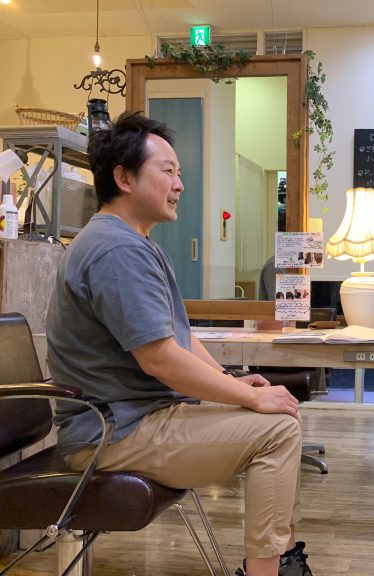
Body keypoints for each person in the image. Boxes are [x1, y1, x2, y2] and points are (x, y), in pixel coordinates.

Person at [46, 112, 313, 576]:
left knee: (279, 415)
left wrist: (232, 383)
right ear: (124, 178)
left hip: (136, 420)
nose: (179, 184)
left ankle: (279, 563)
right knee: (277, 431)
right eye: (167, 171)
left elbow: (181, 338)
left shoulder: (133, 243)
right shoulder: (116, 250)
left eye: (179, 173)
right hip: (112, 433)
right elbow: (161, 360)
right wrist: (247, 397)